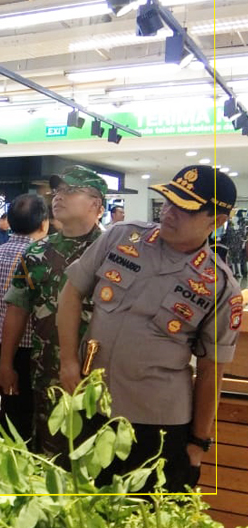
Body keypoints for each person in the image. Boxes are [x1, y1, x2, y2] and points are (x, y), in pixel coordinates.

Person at [57, 165, 241, 492]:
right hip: (94, 407)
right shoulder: (121, 236)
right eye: (168, 202)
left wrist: (198, 442)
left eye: (185, 209)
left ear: (216, 221)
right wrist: (68, 360)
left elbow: (213, 369)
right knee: (85, 504)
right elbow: (71, 293)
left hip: (157, 423)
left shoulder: (219, 284)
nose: (169, 213)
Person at [0, 165, 106, 457]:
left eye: (71, 191)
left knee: (98, 456)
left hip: (102, 375)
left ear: (96, 204)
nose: (58, 197)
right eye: (57, 191)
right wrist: (6, 364)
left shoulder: (114, 253)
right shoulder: (36, 252)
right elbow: (17, 310)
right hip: (46, 371)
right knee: (49, 454)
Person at [0, 194, 49, 440]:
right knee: (31, 410)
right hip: (34, 348)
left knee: (9, 402)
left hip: (1, 344)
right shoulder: (42, 257)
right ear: (44, 223)